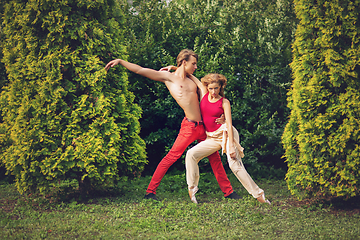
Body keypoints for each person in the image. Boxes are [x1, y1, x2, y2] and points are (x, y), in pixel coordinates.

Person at [105, 49, 241, 201]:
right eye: (193, 64)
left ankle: (229, 192)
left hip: (204, 127)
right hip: (189, 127)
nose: (196, 67)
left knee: (214, 158)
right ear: (184, 62)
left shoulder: (191, 80)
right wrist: (121, 62)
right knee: (171, 157)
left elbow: (208, 95)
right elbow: (141, 70)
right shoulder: (168, 78)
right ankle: (150, 192)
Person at [185, 73, 271, 205]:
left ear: (221, 87)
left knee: (234, 165)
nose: (213, 92)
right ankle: (192, 189)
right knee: (191, 154)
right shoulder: (204, 94)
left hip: (226, 133)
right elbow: (194, 78)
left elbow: (229, 125)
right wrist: (176, 68)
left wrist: (230, 145)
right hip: (212, 137)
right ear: (207, 87)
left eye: (216, 88)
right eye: (211, 88)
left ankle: (259, 194)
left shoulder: (224, 102)